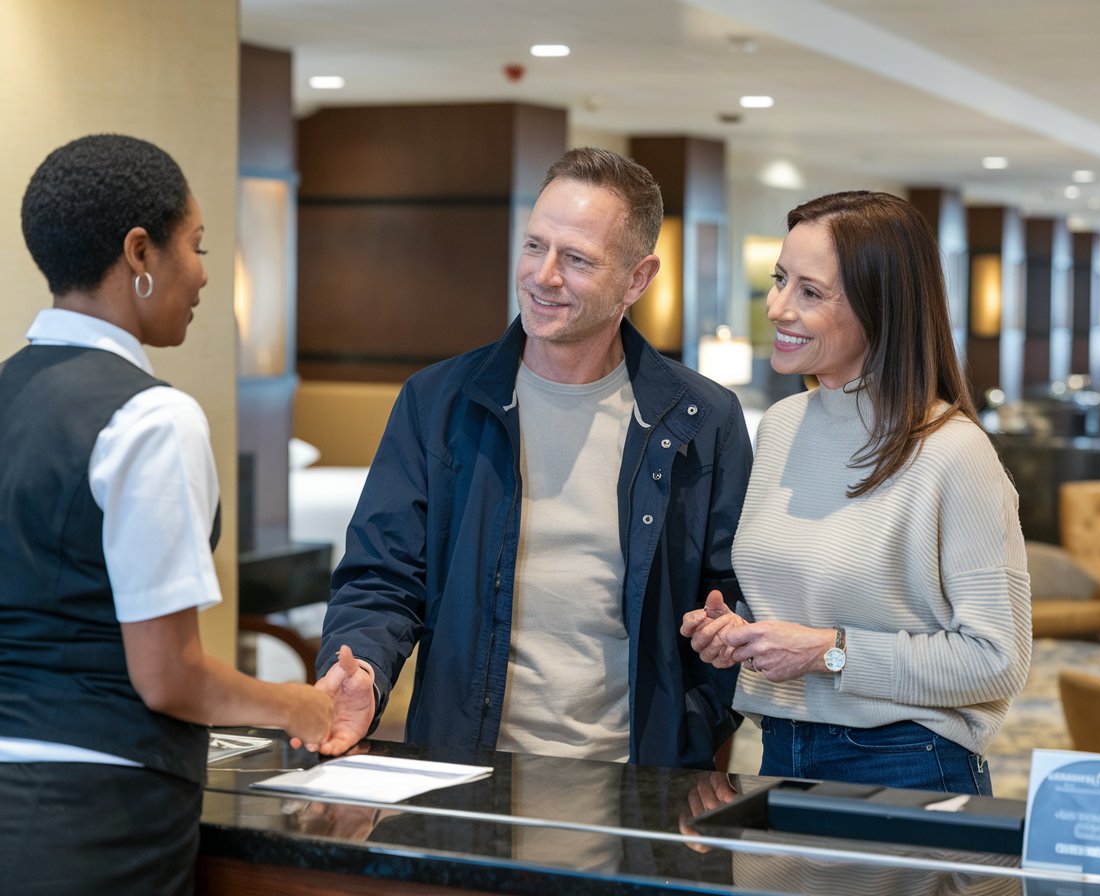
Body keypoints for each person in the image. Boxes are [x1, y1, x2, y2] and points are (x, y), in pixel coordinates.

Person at [315, 147, 751, 769]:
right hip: (463, 768)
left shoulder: (704, 420)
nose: (544, 276)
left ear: (637, 278)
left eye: (576, 259)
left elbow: (736, 597)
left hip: (639, 779)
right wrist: (360, 668)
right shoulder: (437, 402)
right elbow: (382, 576)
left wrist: (694, 722)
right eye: (534, 246)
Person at [0, 134, 336, 895]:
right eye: (197, 245)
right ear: (139, 253)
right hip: (94, 820)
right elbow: (168, 676)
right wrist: (299, 706)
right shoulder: (150, 417)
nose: (206, 273)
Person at [681, 190, 1030, 795]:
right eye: (779, 280)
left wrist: (828, 653)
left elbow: (997, 660)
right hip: (781, 746)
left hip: (908, 760)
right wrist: (738, 631)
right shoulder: (784, 424)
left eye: (810, 292)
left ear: (881, 307)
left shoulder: (953, 450)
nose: (778, 307)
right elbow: (802, 606)